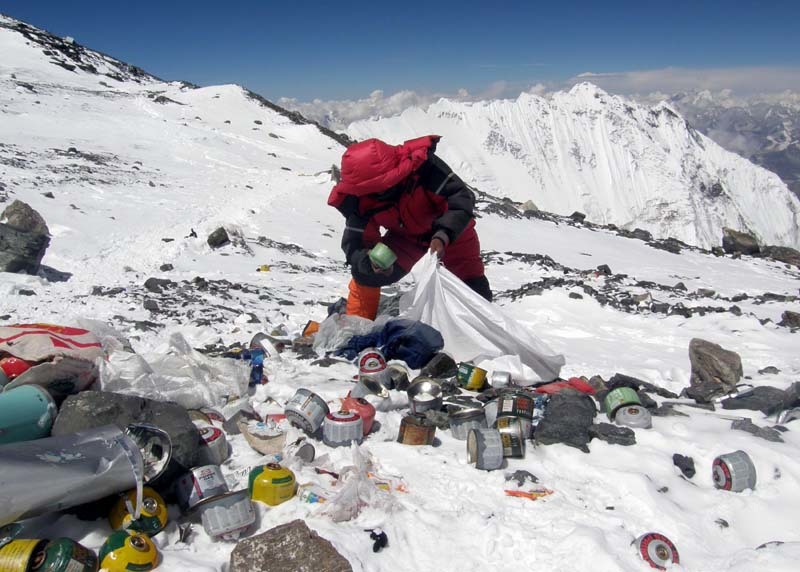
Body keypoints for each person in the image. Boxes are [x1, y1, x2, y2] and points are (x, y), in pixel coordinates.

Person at [328, 135, 492, 320]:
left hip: (451, 233)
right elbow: (357, 242)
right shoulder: (360, 198)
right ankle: (357, 325)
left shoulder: (423, 168)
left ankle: (482, 330)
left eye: (382, 187)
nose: (378, 194)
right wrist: (368, 263)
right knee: (365, 275)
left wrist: (443, 235)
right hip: (405, 239)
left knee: (472, 287)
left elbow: (459, 201)